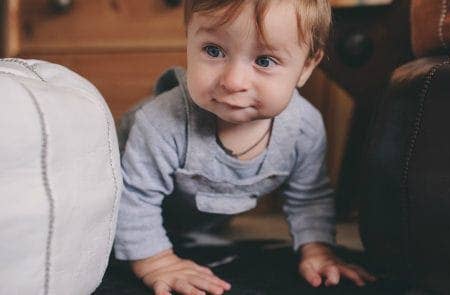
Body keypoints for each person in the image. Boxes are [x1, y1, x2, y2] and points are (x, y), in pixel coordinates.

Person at [113, 0, 376, 294]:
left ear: (306, 67)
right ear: (188, 40)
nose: (233, 81)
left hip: (197, 224)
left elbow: (308, 196)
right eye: (213, 51)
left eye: (264, 61)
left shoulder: (303, 128)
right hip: (121, 206)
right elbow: (133, 197)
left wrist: (317, 249)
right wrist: (157, 262)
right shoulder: (160, 124)